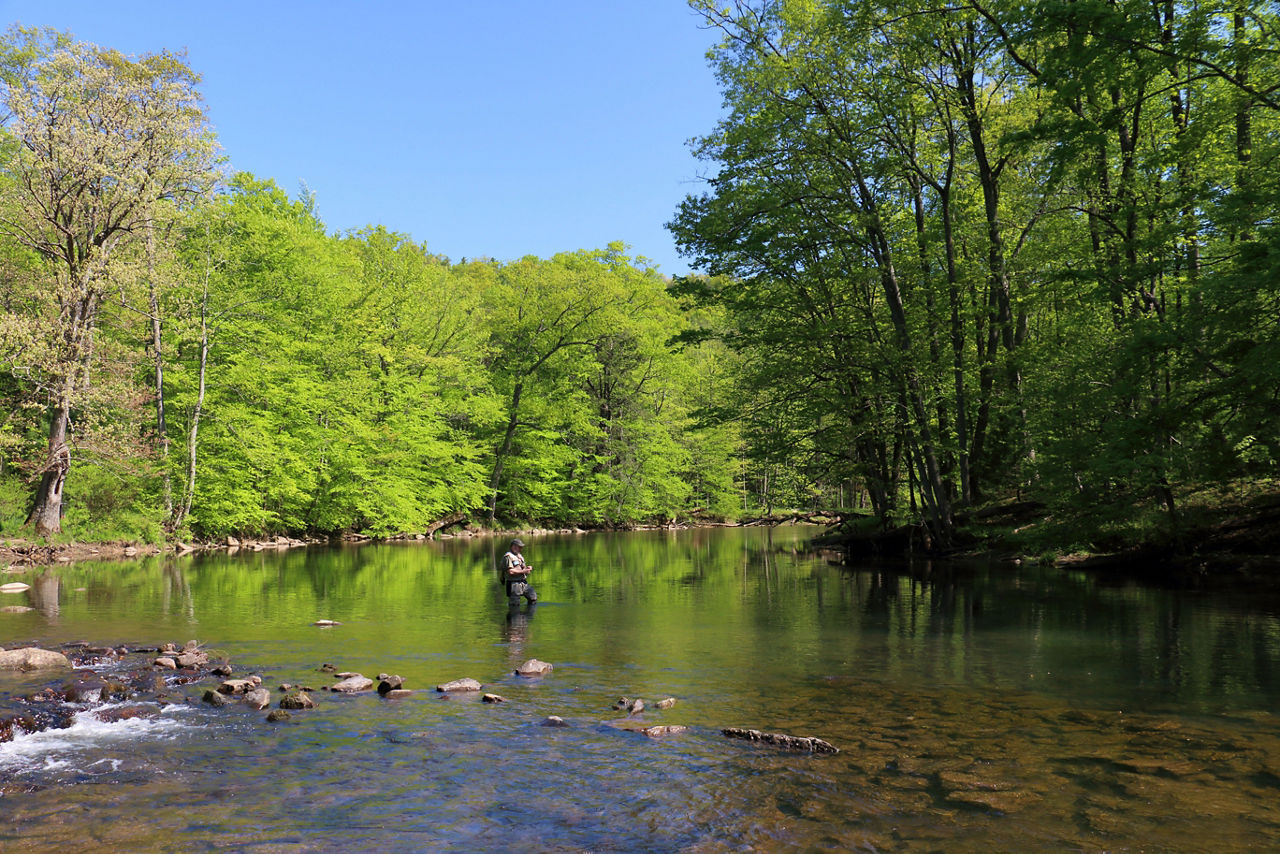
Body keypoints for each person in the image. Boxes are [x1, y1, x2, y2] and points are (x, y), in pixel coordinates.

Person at [501, 538, 537, 606]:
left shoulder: (519, 556)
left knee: (533, 597)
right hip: (513, 584)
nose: (521, 549)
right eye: (519, 547)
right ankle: (515, 615)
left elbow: (523, 569)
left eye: (521, 547)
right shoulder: (508, 557)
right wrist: (523, 571)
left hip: (523, 582)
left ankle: (527, 615)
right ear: (513, 546)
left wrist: (527, 569)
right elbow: (510, 571)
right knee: (514, 605)